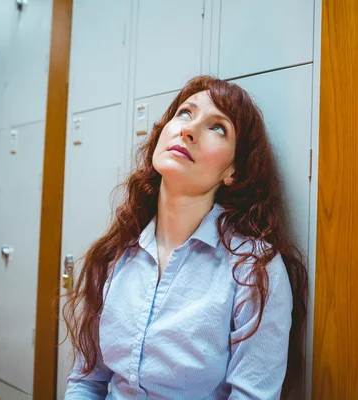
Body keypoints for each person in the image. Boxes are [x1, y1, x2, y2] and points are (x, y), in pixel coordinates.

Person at [63, 76, 308, 399]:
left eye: (218, 127)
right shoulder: (117, 254)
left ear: (232, 171)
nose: (188, 130)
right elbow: (86, 382)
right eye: (184, 113)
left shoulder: (255, 269)